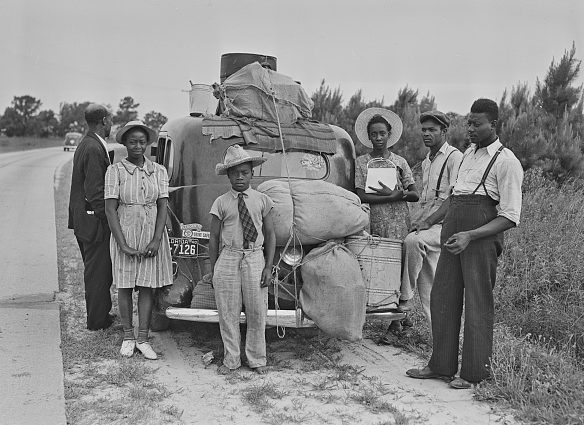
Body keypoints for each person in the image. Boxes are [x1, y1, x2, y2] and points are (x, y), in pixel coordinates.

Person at [406, 99, 523, 389]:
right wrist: (430, 221)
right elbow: (455, 198)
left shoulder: (506, 161)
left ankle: (474, 373)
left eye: (476, 124)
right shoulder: (468, 154)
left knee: (477, 302)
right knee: (442, 297)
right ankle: (441, 365)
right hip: (452, 233)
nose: (469, 128)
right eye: (468, 122)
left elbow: (509, 216)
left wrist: (471, 235)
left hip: (480, 239)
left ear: (493, 125)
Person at [104, 121, 173, 359]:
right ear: (124, 143)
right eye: (132, 142)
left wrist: (156, 240)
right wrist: (122, 243)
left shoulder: (159, 171)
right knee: (124, 285)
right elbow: (110, 209)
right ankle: (127, 336)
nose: (137, 146)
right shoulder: (115, 171)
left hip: (151, 232)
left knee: (146, 285)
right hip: (126, 230)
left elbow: (163, 206)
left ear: (147, 144)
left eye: (142, 142)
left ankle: (143, 338)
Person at [208, 144, 276, 375]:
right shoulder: (221, 202)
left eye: (244, 172)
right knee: (228, 312)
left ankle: (257, 359)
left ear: (252, 174)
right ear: (227, 175)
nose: (240, 177)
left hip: (255, 258)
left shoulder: (262, 200)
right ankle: (231, 360)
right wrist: (214, 268)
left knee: (257, 311)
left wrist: (268, 266)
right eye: (235, 173)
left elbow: (271, 235)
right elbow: (214, 237)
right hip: (228, 258)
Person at [399, 111, 462, 333]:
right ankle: (441, 339)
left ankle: (404, 299)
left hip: (445, 224)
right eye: (424, 129)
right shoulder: (428, 160)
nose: (426, 133)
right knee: (430, 287)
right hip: (428, 220)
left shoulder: (454, 157)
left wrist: (427, 222)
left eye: (432, 130)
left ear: (444, 132)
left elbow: (454, 198)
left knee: (413, 242)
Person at [68, 104, 115, 330]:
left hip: (84, 219)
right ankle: (97, 321)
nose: (112, 124)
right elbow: (95, 192)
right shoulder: (94, 148)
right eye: (111, 120)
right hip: (93, 222)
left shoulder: (88, 143)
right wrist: (107, 220)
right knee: (98, 272)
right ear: (104, 121)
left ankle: (101, 314)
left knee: (98, 270)